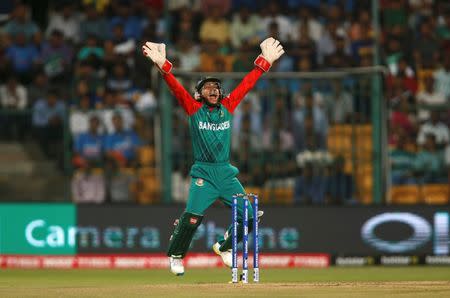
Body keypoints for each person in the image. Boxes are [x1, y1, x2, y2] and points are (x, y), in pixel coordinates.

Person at [142, 37, 284, 275]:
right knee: (191, 219)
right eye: (207, 87)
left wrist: (264, 63)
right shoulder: (193, 109)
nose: (213, 90)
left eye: (216, 87)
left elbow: (246, 85)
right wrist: (163, 68)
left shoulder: (228, 107)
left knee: (250, 219)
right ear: (199, 94)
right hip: (204, 175)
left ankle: (224, 247)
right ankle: (176, 255)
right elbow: (176, 88)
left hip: (226, 174)